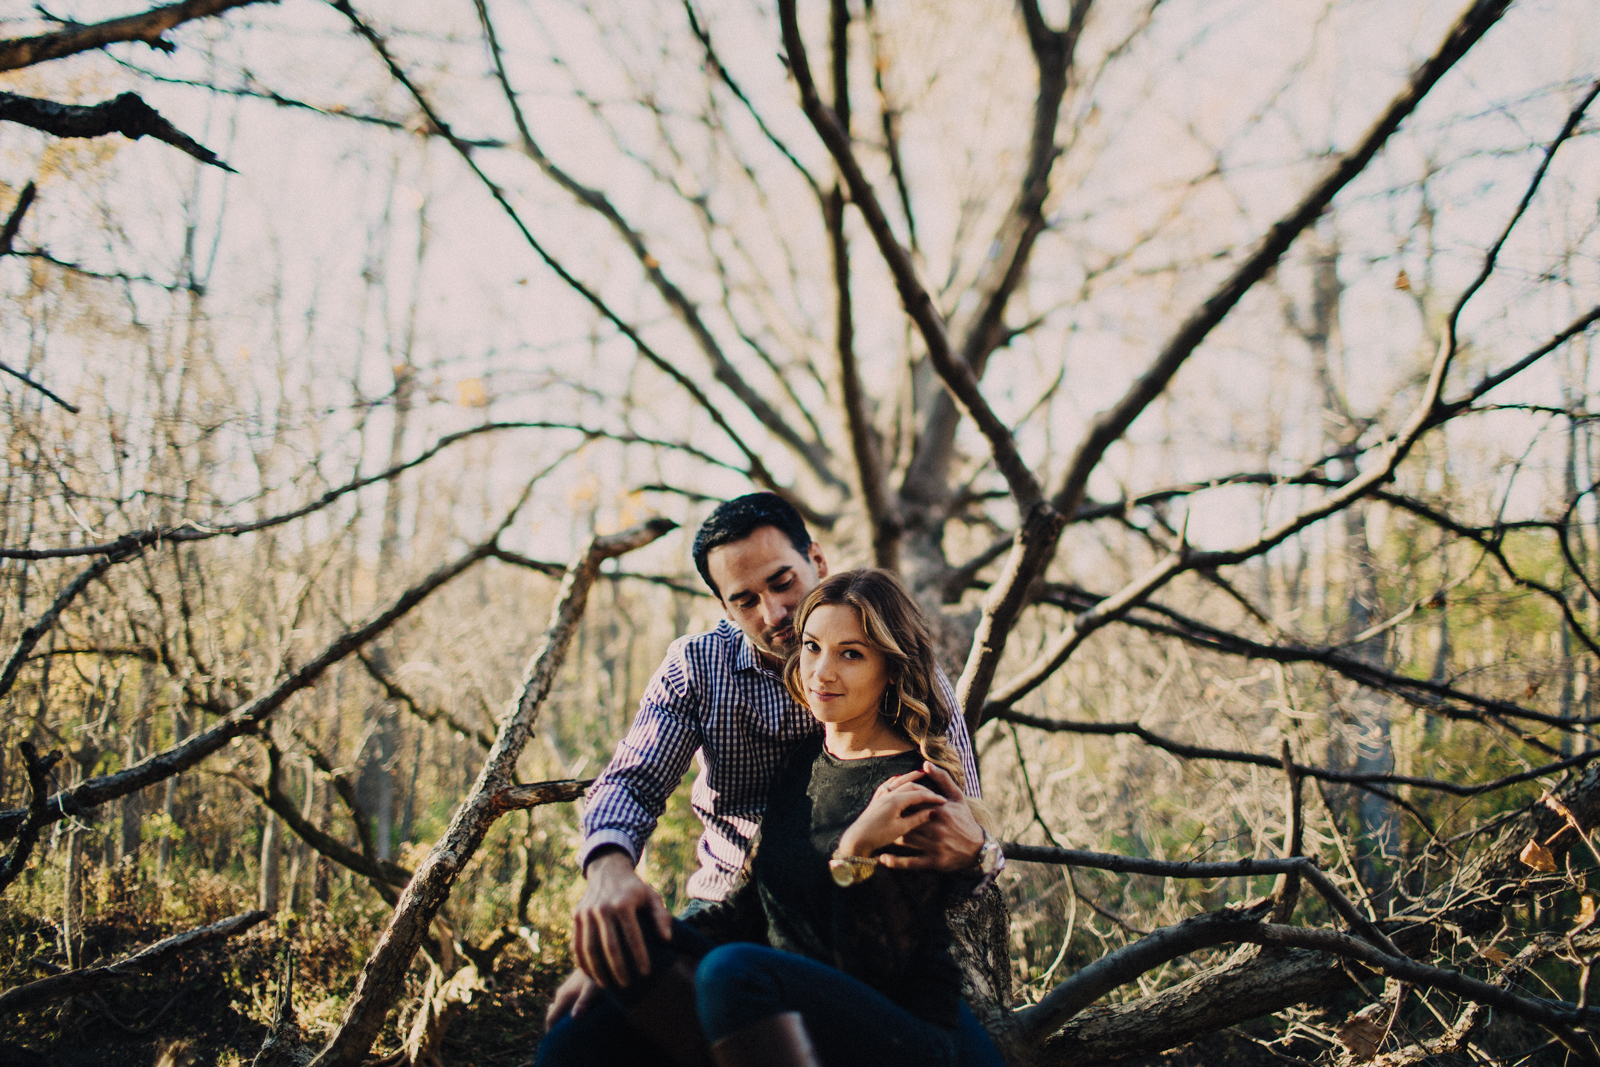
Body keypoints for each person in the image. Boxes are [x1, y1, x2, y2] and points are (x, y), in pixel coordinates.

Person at [541, 495, 1000, 1038]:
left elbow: (964, 822)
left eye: (783, 583)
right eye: (746, 600)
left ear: (817, 561)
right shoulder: (698, 668)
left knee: (740, 983)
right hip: (731, 908)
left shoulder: (900, 680)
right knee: (587, 1020)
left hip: (866, 922)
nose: (774, 613)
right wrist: (610, 872)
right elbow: (631, 782)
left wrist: (979, 853)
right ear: (725, 607)